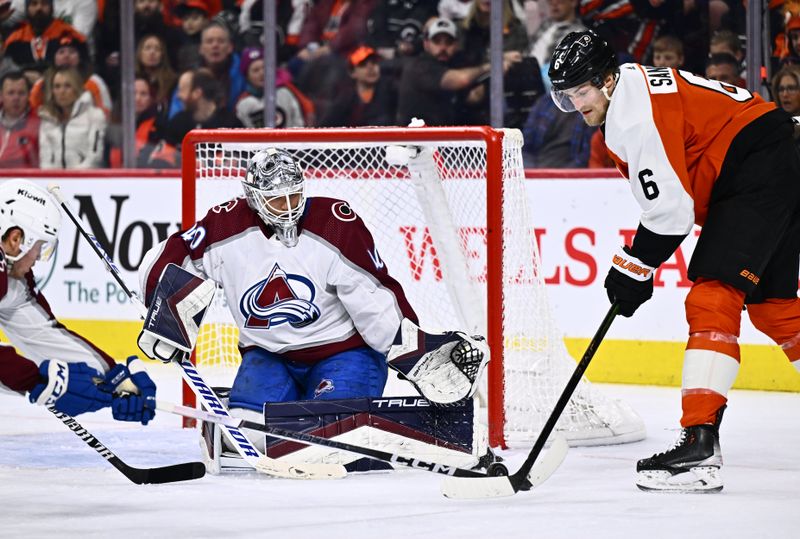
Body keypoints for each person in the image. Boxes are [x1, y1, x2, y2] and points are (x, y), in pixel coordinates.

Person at [548, 30, 800, 493]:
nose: (576, 103)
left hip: (757, 166)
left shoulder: (630, 112)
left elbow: (670, 214)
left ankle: (699, 446)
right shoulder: (631, 92)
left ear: (606, 80)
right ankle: (700, 441)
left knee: (711, 298)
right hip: (774, 157)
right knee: (776, 309)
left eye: (581, 91)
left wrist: (633, 268)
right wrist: (635, 267)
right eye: (566, 96)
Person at [136, 149, 489, 449]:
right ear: (254, 197)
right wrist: (165, 316)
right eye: (277, 199)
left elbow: (373, 297)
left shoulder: (334, 224)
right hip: (268, 357)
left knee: (330, 436)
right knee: (248, 437)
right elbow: (175, 256)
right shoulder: (225, 225)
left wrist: (414, 352)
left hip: (344, 354)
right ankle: (238, 409)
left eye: (294, 195)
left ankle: (339, 422)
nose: (288, 207)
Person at [0, 179, 156, 425]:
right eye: (39, 247)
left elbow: (42, 333)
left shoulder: (12, 276)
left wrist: (113, 378)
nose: (39, 258)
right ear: (16, 239)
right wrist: (37, 380)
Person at [396, 16, 521, 126]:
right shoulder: (419, 65)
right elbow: (461, 79)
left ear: (456, 44)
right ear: (426, 43)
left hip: (441, 140)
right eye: (437, 41)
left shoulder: (455, 63)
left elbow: (473, 97)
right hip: (413, 142)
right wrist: (494, 65)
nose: (443, 47)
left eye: (448, 42)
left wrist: (498, 71)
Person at [38, 66, 106, 168]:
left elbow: (94, 158)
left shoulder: (95, 116)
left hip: (84, 180)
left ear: (77, 88)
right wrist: (55, 181)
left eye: (67, 86)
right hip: (55, 181)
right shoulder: (47, 119)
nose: (62, 91)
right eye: (57, 86)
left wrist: (72, 179)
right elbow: (45, 160)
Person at [318, 45, 395, 127]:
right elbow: (324, 126)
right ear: (352, 73)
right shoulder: (344, 98)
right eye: (363, 65)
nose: (371, 68)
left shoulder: (392, 90)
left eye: (374, 63)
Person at [163, 68, 240, 147]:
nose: (178, 96)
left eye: (182, 90)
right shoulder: (178, 122)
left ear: (197, 93)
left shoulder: (230, 124)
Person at [0, 70, 39, 168]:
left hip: (26, 180)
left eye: (21, 93)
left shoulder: (39, 123)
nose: (16, 98)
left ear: (29, 95)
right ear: (1, 96)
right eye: (10, 93)